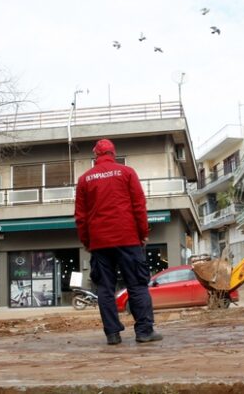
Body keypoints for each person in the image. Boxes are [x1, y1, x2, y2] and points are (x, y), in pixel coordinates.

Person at [74, 138, 162, 345]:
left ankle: (112, 335)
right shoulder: (127, 172)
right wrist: (142, 233)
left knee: (105, 288)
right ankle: (144, 331)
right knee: (137, 285)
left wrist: (87, 241)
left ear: (95, 155)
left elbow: (80, 216)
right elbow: (139, 205)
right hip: (127, 238)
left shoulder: (85, 179)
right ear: (113, 154)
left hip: (99, 242)